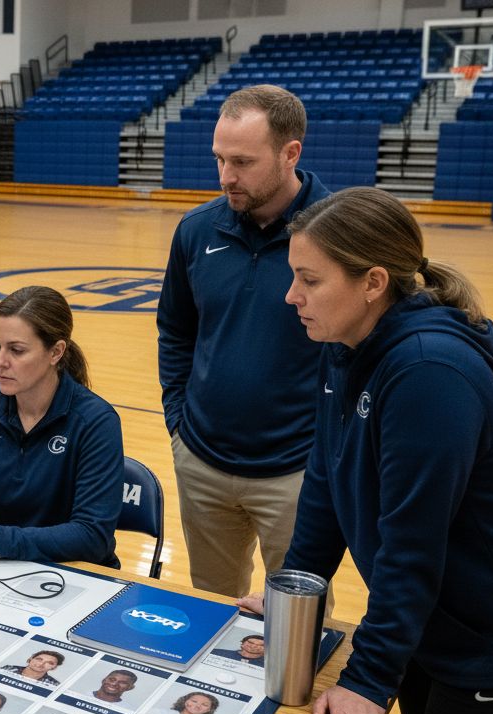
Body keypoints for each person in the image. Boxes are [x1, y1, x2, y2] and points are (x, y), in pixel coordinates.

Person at [237, 186, 493, 714]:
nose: (292, 296)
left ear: (373, 282)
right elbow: (324, 484)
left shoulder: (427, 372)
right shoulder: (345, 346)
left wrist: (368, 679)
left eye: (310, 280)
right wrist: (294, 593)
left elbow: (411, 546)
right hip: (434, 627)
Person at [156, 84, 331, 598]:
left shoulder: (337, 233)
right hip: (202, 461)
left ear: (290, 152)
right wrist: (178, 422)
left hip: (298, 471)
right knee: (213, 605)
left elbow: (363, 352)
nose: (226, 176)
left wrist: (329, 451)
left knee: (295, 618)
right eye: (219, 159)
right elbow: (176, 331)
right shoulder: (195, 230)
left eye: (242, 162)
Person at [0, 286, 123, 564]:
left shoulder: (96, 421)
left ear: (56, 352)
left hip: (76, 573)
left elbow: (92, 536)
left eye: (16, 350)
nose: (0, 362)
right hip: (2, 565)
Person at [0, 650, 64, 687]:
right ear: (30, 659)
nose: (41, 664)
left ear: (54, 667)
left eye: (49, 663)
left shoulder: (53, 684)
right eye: (39, 659)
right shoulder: (8, 669)